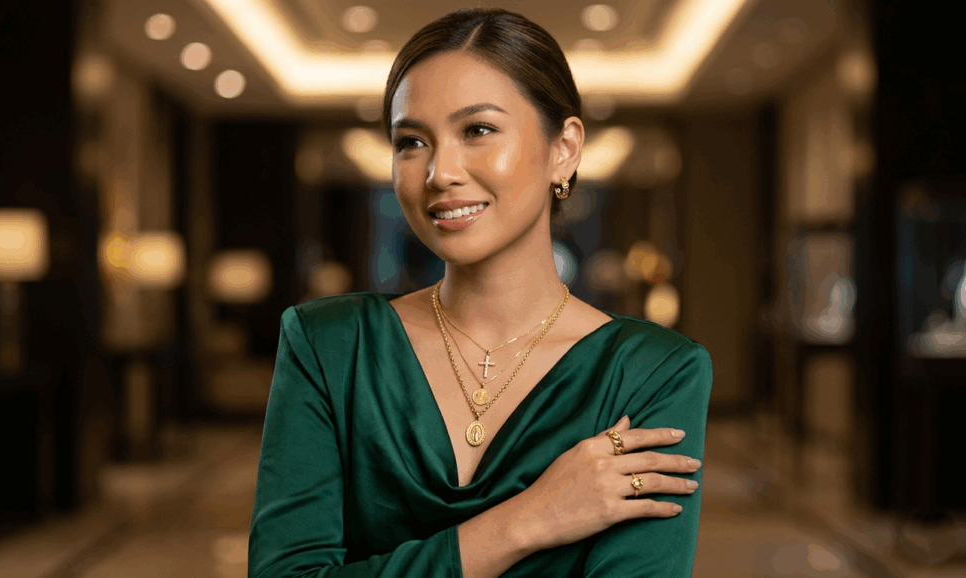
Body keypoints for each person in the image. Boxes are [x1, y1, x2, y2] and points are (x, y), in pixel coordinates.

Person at [248, 7, 712, 577]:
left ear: (563, 149)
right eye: (411, 141)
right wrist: (528, 521)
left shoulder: (654, 372)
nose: (440, 172)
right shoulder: (329, 346)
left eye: (478, 130)